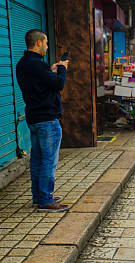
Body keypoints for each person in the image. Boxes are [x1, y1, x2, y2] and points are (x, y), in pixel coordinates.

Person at [16, 29, 70, 212]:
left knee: (38, 160)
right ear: (38, 42)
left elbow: (42, 83)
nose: (47, 47)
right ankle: (46, 200)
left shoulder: (23, 64)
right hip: (47, 119)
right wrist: (62, 69)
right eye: (46, 43)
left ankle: (39, 196)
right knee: (48, 160)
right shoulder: (37, 65)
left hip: (34, 118)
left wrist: (52, 71)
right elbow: (58, 84)